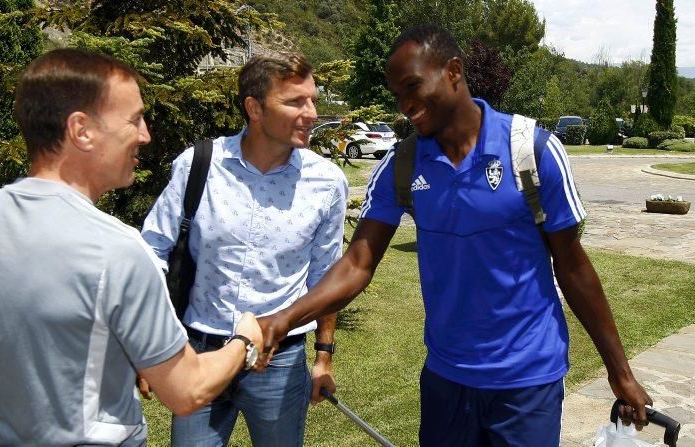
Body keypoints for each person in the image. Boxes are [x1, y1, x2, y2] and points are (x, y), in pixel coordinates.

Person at [258, 24, 652, 446]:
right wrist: (283, 320)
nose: (406, 104)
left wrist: (620, 372)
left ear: (454, 71)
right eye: (397, 94)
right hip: (446, 379)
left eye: (412, 86)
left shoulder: (531, 151)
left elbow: (573, 267)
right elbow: (357, 264)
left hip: (527, 382)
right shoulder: (403, 164)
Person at [0, 48, 262, 447]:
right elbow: (186, 390)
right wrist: (245, 342)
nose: (145, 135)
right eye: (134, 119)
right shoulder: (118, 250)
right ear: (82, 130)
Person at [141, 52, 348, 446]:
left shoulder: (326, 183)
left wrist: (323, 358)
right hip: (199, 353)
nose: (311, 113)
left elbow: (327, 277)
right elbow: (153, 249)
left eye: (313, 100)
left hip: (279, 362)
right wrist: (152, 340)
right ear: (254, 107)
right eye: (295, 102)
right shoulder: (198, 164)